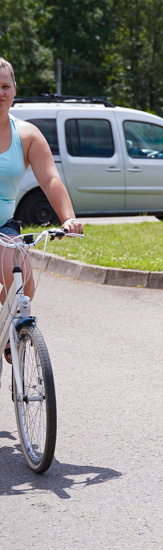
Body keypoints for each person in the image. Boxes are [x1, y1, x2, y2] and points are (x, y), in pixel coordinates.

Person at [0, 58, 83, 360]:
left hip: (3, 227)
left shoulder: (27, 135)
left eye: (5, 86)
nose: (0, 92)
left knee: (23, 281)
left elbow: (49, 179)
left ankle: (8, 334)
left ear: (14, 90)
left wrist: (69, 219)